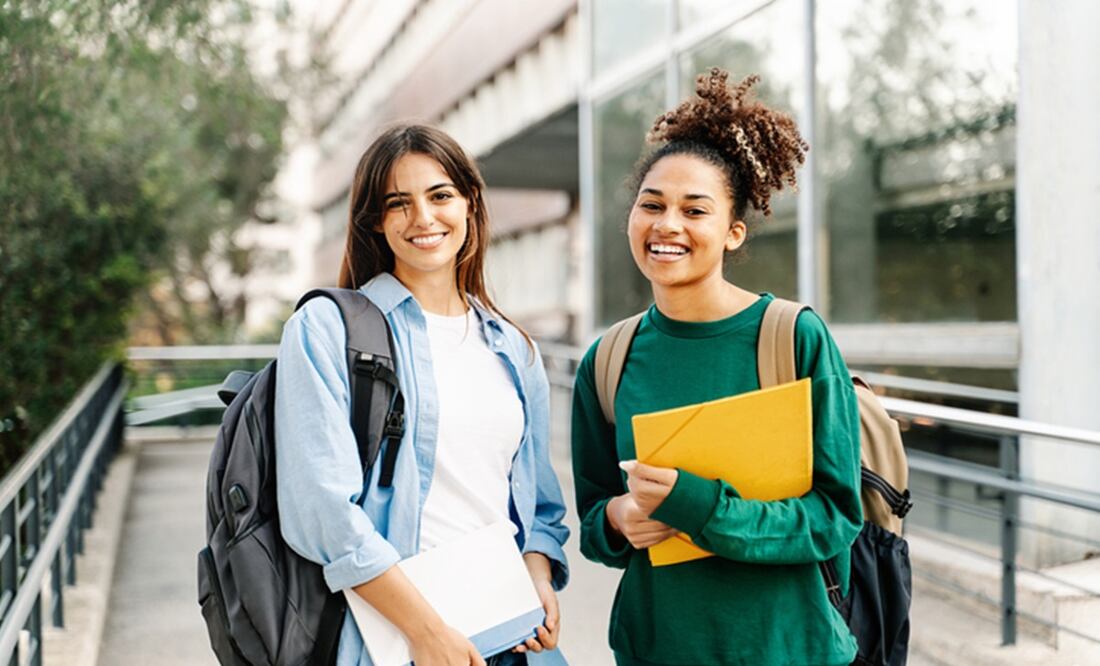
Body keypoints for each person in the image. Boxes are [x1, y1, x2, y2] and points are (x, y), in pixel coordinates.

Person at [570, 69, 863, 666]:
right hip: (658, 649)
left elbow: (835, 516)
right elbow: (595, 523)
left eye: (693, 210)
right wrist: (622, 518)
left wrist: (701, 508)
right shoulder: (607, 360)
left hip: (788, 648)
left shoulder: (792, 337)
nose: (667, 225)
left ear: (732, 233)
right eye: (651, 205)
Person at [275, 124, 569, 666]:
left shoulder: (513, 348)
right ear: (376, 222)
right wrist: (426, 632)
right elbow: (322, 512)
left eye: (440, 196)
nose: (424, 219)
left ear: (470, 204)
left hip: (514, 638)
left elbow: (538, 504)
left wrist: (538, 573)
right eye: (398, 203)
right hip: (395, 641)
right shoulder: (327, 329)